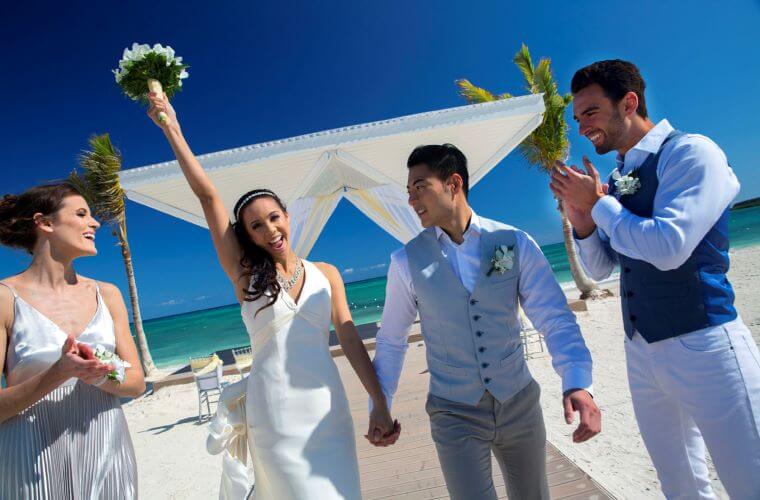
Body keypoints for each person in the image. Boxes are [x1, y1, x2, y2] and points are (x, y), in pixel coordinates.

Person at [147, 93, 399, 500]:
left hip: (327, 410)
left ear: (288, 215)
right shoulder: (244, 276)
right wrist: (171, 128)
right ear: (247, 236)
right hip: (274, 413)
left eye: (274, 217)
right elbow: (209, 198)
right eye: (256, 226)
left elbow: (351, 341)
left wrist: (379, 403)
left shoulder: (328, 274)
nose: (270, 230)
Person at [550, 59, 760, 499]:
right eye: (577, 118)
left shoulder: (691, 153)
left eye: (590, 112)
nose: (582, 126)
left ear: (629, 102)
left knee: (750, 478)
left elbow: (669, 246)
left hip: (706, 344)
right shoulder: (616, 177)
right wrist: (583, 220)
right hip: (642, 352)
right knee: (680, 486)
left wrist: (601, 206)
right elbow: (606, 268)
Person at [372, 144, 600, 499]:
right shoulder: (405, 261)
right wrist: (380, 404)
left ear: (453, 183)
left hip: (519, 403)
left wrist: (577, 381)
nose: (412, 200)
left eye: (420, 187)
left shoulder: (513, 242)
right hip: (454, 412)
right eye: (409, 191)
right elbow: (391, 340)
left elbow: (553, 317)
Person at [0, 182, 145, 499]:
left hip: (107, 452)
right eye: (81, 214)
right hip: (32, 459)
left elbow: (136, 382)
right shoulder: (5, 298)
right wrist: (59, 372)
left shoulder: (107, 294)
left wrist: (100, 373)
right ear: (45, 223)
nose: (94, 223)